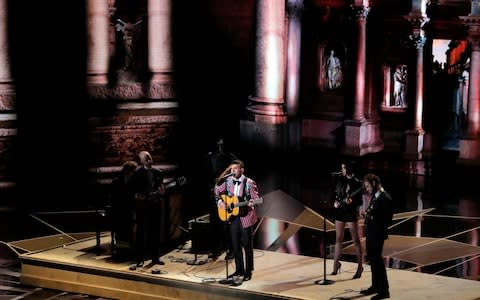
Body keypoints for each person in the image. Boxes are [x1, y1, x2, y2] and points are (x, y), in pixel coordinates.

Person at [214, 160, 260, 282]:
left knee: (247, 245)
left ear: (242, 170)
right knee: (235, 245)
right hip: (233, 217)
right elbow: (217, 191)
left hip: (246, 217)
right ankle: (239, 269)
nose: (233, 170)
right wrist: (220, 202)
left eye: (235, 168)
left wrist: (252, 203)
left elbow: (256, 199)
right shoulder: (228, 181)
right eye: (232, 169)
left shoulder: (249, 183)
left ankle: (248, 271)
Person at [129, 151, 166, 270]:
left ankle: (155, 258)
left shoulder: (158, 172)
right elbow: (130, 190)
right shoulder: (137, 173)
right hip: (142, 207)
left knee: (155, 232)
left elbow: (162, 189)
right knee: (141, 233)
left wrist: (162, 193)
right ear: (142, 161)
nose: (149, 159)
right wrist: (136, 196)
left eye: (149, 157)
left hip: (155, 206)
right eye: (146, 158)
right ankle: (140, 260)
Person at [360, 173, 393, 300]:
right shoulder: (375, 196)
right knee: (373, 260)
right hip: (371, 232)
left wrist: (373, 217)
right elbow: (372, 210)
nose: (367, 189)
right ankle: (375, 286)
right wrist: (367, 214)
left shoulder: (386, 198)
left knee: (378, 261)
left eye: (368, 186)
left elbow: (388, 220)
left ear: (374, 184)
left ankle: (384, 290)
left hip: (378, 233)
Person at [331, 162, 364, 279]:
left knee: (355, 240)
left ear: (348, 169)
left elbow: (360, 201)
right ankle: (335, 264)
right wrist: (334, 201)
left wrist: (352, 202)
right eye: (342, 168)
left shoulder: (358, 182)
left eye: (344, 168)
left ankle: (360, 267)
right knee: (338, 239)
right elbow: (335, 193)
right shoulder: (339, 179)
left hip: (350, 213)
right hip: (340, 211)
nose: (342, 169)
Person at [207, 138, 238, 259]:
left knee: (228, 223)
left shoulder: (231, 158)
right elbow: (210, 176)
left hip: (227, 195)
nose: (220, 146)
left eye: (222, 143)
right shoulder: (211, 158)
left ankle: (232, 250)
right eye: (218, 143)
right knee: (215, 223)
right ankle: (216, 249)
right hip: (215, 194)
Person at [109, 160, 138, 256]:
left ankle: (128, 251)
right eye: (133, 171)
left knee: (128, 230)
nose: (134, 173)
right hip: (119, 210)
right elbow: (113, 198)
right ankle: (120, 251)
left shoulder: (134, 183)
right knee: (120, 231)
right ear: (127, 171)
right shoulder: (117, 181)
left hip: (129, 210)